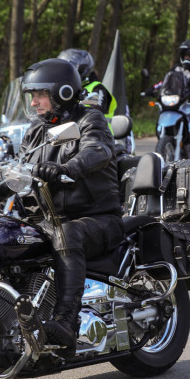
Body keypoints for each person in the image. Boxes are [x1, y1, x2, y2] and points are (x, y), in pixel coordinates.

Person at [17, 58, 124, 352]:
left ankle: (66, 321)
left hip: (97, 219)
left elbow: (97, 150)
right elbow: (17, 169)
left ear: (62, 93)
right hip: (49, 220)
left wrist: (67, 168)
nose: (34, 102)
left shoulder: (90, 120)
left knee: (67, 233)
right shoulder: (35, 131)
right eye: (32, 95)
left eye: (40, 94)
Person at [58, 48, 116, 120]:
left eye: (70, 69)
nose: (66, 73)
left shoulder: (96, 88)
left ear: (81, 69)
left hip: (95, 126)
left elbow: (93, 114)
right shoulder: (64, 90)